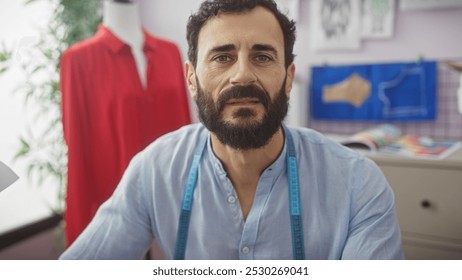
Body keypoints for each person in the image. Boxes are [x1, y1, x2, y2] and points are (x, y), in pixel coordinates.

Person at [60, 0, 404, 260]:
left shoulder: (358, 185)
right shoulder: (153, 172)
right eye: (222, 57)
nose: (242, 75)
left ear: (288, 78)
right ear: (191, 79)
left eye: (263, 57)